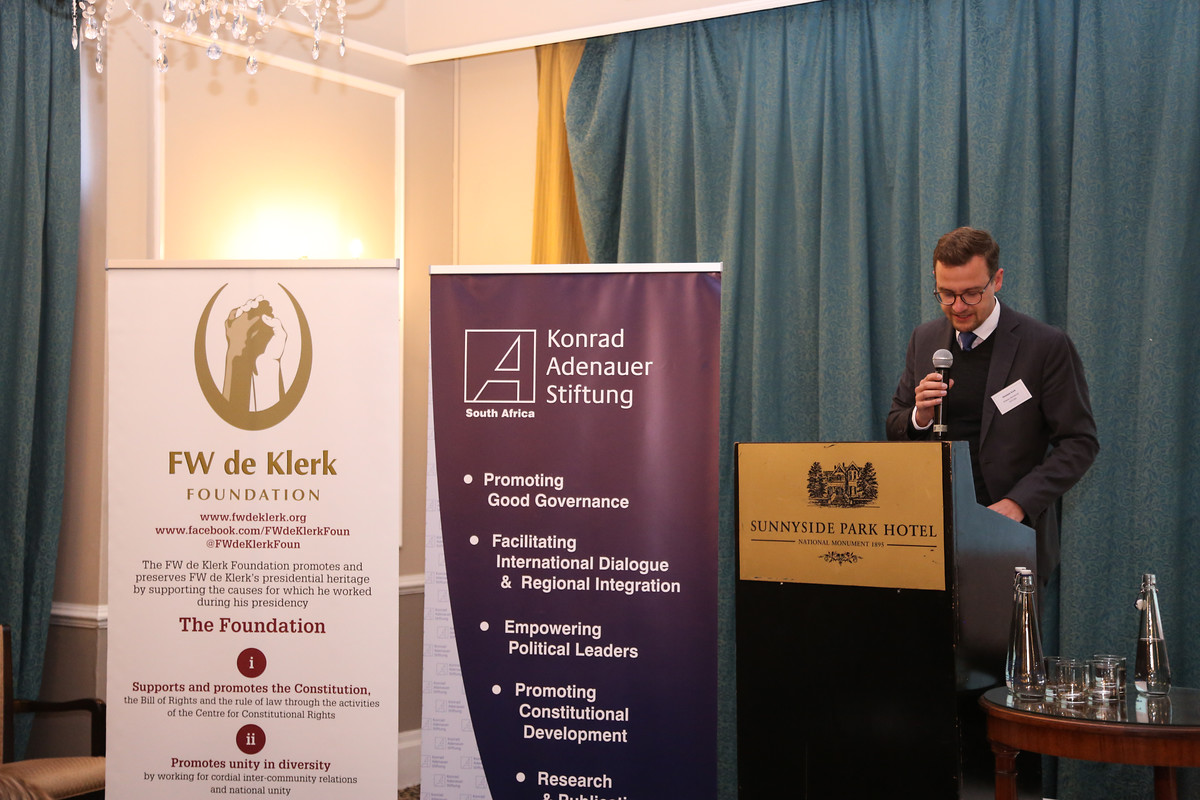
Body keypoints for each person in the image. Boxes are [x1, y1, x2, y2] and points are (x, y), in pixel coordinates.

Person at [886, 227, 1099, 581]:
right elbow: (895, 424)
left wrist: (1019, 503)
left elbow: (1080, 442)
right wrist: (919, 416)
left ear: (997, 280)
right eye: (946, 294)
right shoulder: (924, 339)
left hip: (1009, 538)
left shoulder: (1044, 345)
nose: (958, 306)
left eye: (971, 293)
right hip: (931, 538)